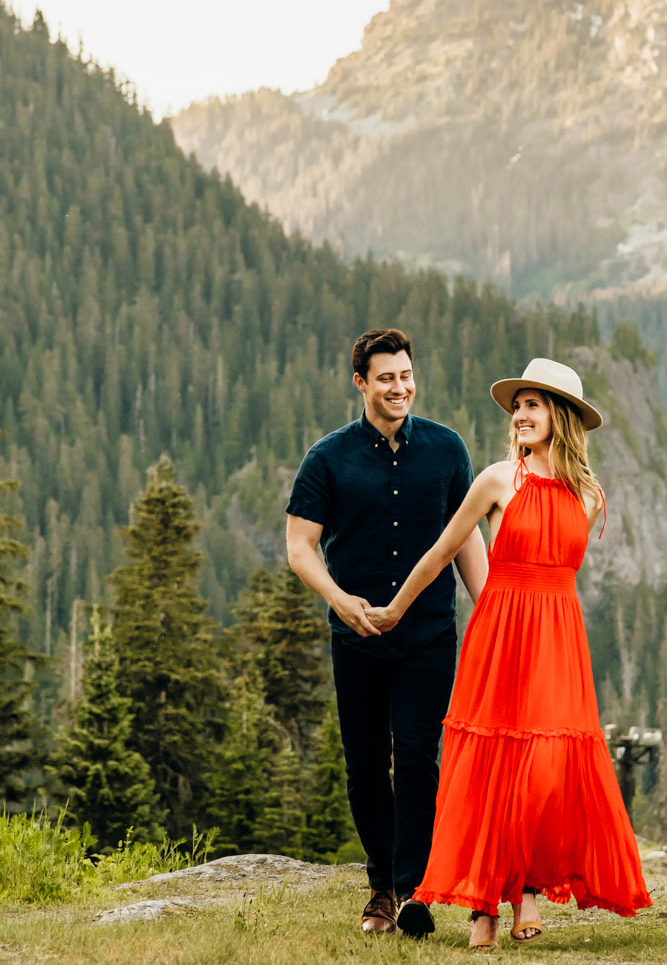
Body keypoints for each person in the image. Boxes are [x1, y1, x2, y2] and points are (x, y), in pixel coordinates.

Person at [372, 356, 651, 949]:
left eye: (533, 405)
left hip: (558, 635)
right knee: (491, 763)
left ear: (563, 417)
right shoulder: (498, 480)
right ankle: (484, 910)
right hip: (501, 629)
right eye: (517, 406)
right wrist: (395, 608)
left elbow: (562, 571)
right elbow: (443, 550)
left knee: (544, 769)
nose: (520, 416)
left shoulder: (591, 495)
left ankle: (524, 890)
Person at [285, 328, 487, 939]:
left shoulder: (448, 451)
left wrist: (492, 608)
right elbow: (300, 547)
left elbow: (467, 541)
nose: (399, 388)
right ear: (360, 384)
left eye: (405, 376)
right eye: (386, 378)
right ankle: (380, 884)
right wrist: (340, 600)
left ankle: (411, 891)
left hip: (429, 634)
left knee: (420, 761)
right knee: (366, 765)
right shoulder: (327, 458)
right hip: (357, 635)